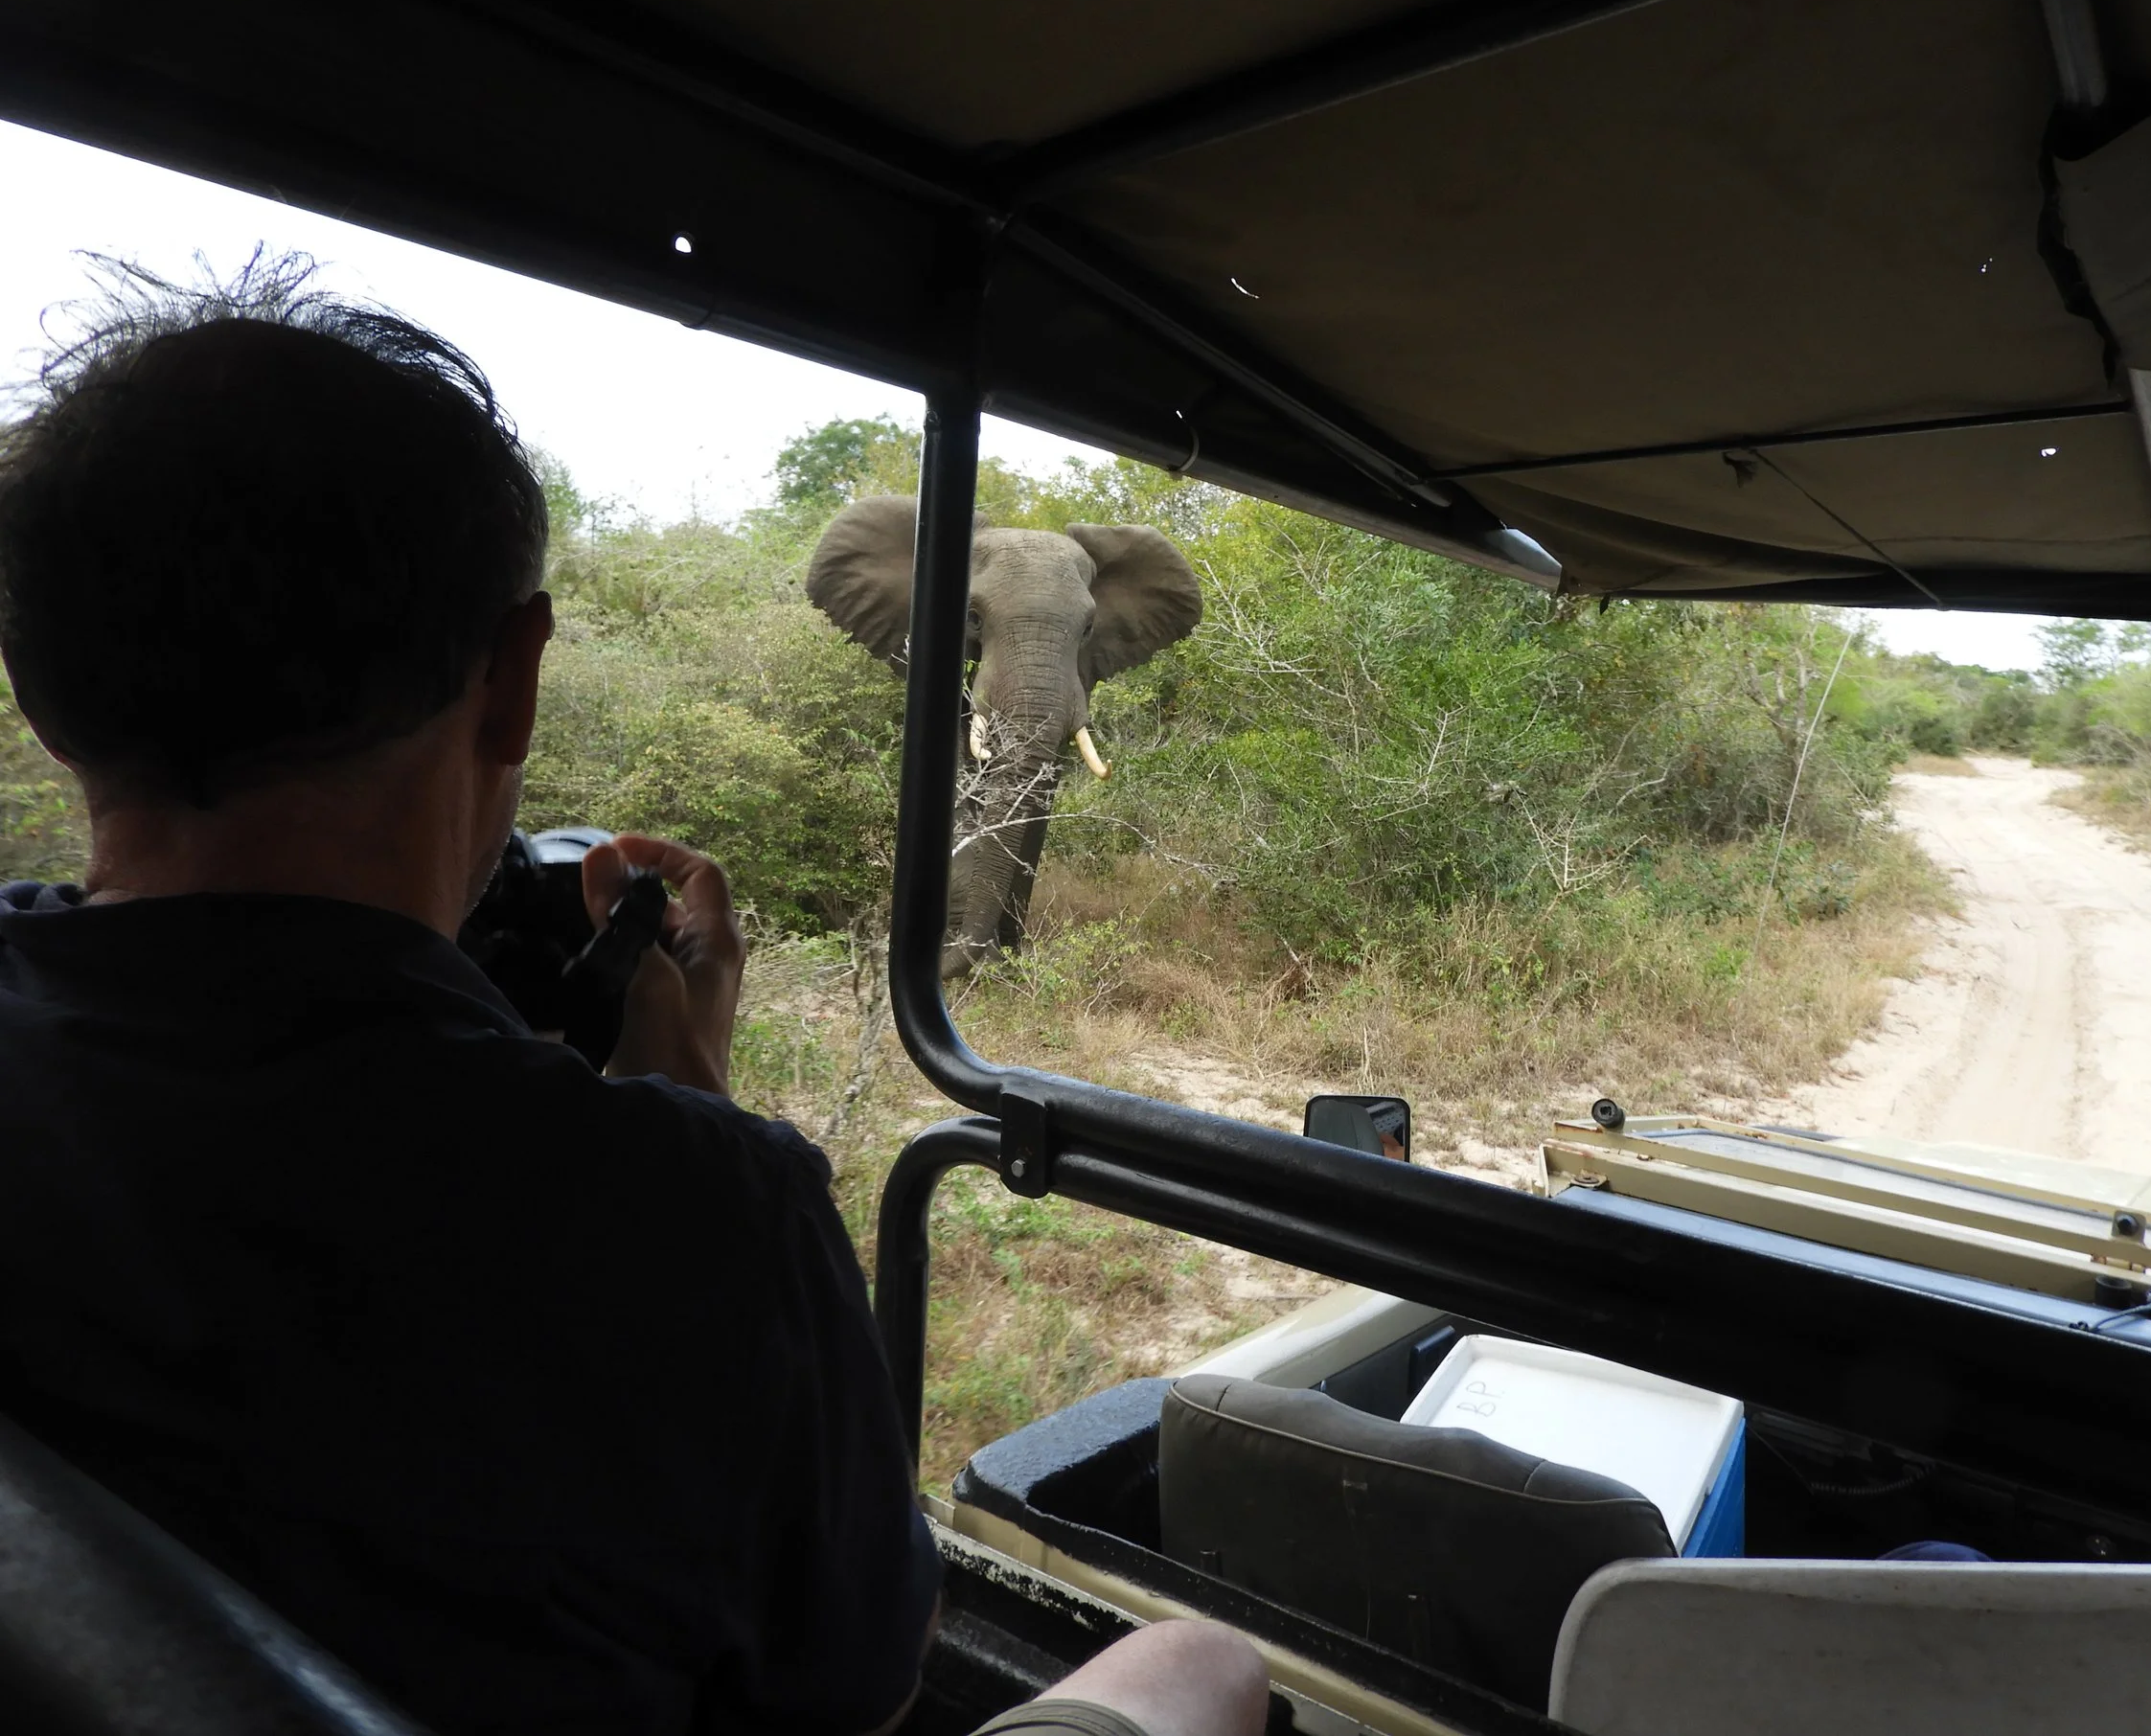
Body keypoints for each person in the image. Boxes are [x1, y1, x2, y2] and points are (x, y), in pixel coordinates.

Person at [0, 255, 1265, 1736]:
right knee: (1202, 1665)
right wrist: (688, 1110)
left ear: (35, 684)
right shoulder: (701, 1211)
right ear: (516, 677)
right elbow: (860, 1678)